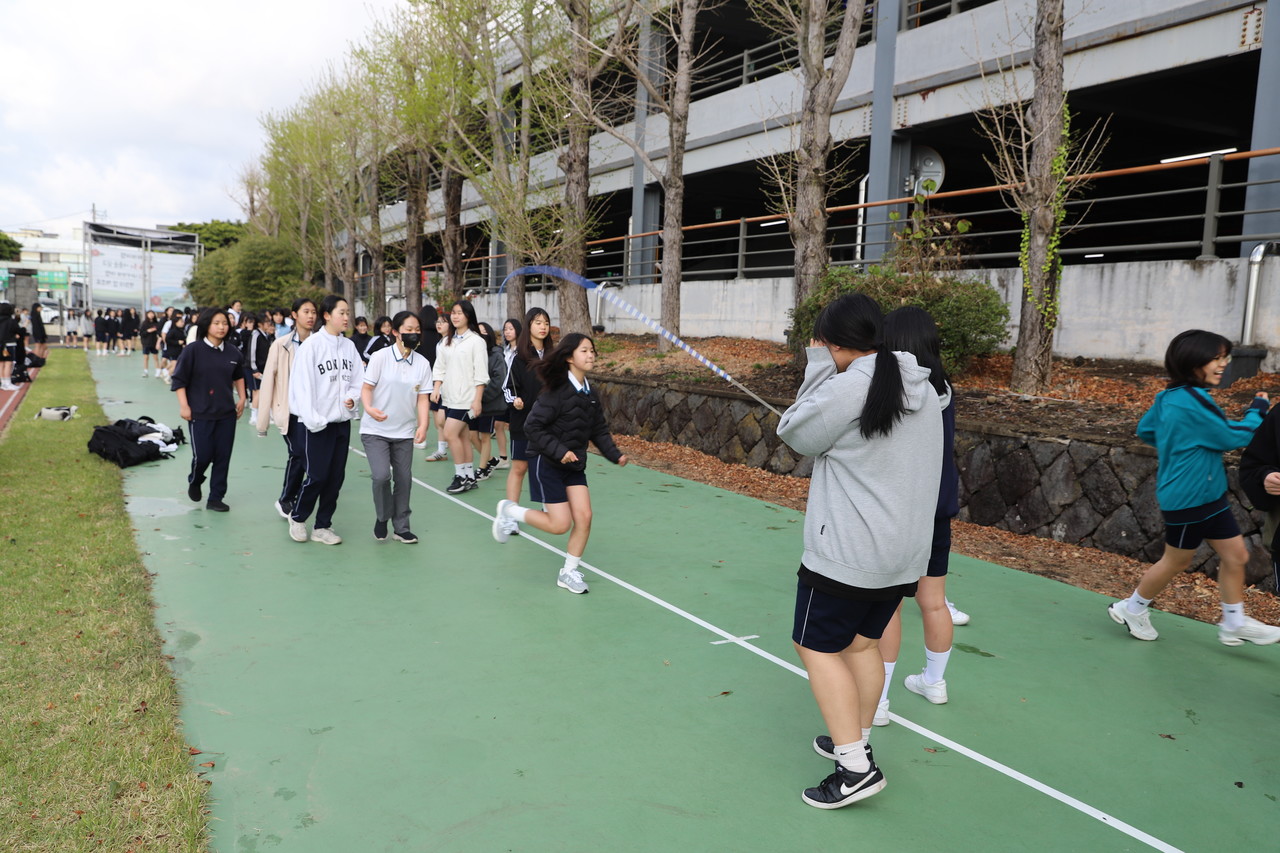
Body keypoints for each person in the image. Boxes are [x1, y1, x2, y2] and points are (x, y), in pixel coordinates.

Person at [776, 293, 943, 810]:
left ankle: (854, 768)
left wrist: (817, 365)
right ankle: (857, 741)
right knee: (860, 647)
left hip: (850, 552)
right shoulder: (922, 384)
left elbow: (795, 432)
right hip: (904, 554)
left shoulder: (849, 386)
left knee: (815, 646)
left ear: (834, 342)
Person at [1109, 329, 1280, 645]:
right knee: (1177, 561)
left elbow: (1146, 429)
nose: (1224, 364)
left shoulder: (1171, 395)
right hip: (1188, 498)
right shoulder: (1191, 403)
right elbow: (1232, 436)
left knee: (1236, 555)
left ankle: (1234, 622)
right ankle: (1132, 608)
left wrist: (1180, 443)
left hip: (1207, 494)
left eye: (1225, 357)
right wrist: (1257, 412)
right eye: (1216, 358)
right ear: (1192, 361)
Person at [873, 306, 962, 724]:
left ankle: (879, 699)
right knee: (934, 602)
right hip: (938, 510)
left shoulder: (893, 392)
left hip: (901, 512)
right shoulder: (945, 388)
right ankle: (934, 681)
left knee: (888, 607)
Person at [492, 333, 628, 594]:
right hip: (548, 462)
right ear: (569, 357)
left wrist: (614, 454)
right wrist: (560, 451)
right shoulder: (556, 391)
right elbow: (532, 426)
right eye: (584, 351)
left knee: (585, 517)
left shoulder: (590, 393)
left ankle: (569, 572)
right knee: (560, 525)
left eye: (592, 350)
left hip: (574, 465)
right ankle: (510, 511)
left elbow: (598, 429)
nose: (590, 355)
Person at [287, 294, 363, 545]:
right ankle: (298, 517)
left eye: (348, 312)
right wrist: (313, 419)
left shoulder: (349, 346)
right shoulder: (312, 346)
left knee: (335, 478)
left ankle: (323, 526)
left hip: (341, 423)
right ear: (327, 315)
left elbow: (357, 380)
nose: (346, 317)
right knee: (317, 476)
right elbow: (302, 387)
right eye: (342, 312)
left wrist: (352, 398)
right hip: (316, 424)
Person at [360, 311, 432, 544]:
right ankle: (382, 517)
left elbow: (423, 398)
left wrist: (423, 424)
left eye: (417, 330)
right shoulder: (380, 357)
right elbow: (367, 388)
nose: (413, 334)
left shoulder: (422, 363)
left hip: (404, 431)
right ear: (395, 332)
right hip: (375, 430)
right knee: (381, 476)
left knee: (404, 479)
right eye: (408, 330)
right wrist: (369, 408)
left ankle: (401, 527)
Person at [170, 307, 246, 512]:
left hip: (226, 414)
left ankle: (215, 498)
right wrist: (184, 406)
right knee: (203, 456)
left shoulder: (233, 352)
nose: (222, 327)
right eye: (216, 323)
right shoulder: (192, 350)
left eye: (225, 323)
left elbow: (238, 376)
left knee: (223, 457)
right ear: (206, 325)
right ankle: (195, 479)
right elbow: (179, 380)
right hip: (199, 413)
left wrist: (242, 398)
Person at [256, 298, 317, 520]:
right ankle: (286, 499)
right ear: (294, 315)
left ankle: (296, 496)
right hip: (289, 411)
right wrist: (263, 423)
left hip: (314, 412)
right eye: (306, 311)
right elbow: (268, 383)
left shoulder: (320, 344)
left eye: (313, 312)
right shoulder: (281, 345)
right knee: (298, 452)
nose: (310, 316)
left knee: (310, 456)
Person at [499, 308, 553, 527]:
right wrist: (515, 400)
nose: (543, 327)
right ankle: (510, 515)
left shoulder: (553, 357)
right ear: (529, 325)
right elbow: (507, 388)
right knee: (520, 468)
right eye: (538, 322)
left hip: (549, 424)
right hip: (523, 422)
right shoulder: (519, 357)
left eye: (546, 323)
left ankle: (550, 508)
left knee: (548, 465)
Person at [431, 301, 489, 493]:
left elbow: (481, 374)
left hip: (467, 399)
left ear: (468, 316)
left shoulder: (476, 341)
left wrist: (477, 399)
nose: (455, 316)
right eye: (453, 313)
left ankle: (461, 476)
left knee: (449, 433)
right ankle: (469, 476)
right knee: (463, 436)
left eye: (460, 313)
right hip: (450, 398)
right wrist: (437, 387)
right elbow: (440, 367)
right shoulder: (446, 342)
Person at [470, 322, 508, 481]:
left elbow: (499, 380)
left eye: (484, 332)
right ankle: (491, 460)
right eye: (477, 332)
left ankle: (483, 468)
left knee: (485, 436)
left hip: (490, 404)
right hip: (472, 402)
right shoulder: (472, 353)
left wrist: (482, 396)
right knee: (472, 436)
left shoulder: (496, 355)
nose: (481, 335)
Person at [423, 312, 452, 463]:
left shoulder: (452, 343)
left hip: (449, 388)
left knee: (443, 420)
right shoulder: (440, 342)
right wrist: (436, 387)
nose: (439, 324)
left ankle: (451, 448)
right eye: (438, 322)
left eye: (443, 322)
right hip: (438, 387)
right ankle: (442, 450)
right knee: (439, 422)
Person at [493, 317, 521, 471]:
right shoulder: (504, 351)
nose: (507, 332)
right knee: (498, 424)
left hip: (517, 394)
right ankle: (503, 458)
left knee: (517, 427)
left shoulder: (523, 351)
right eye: (505, 329)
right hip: (503, 393)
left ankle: (522, 456)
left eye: (511, 329)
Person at [239, 313, 270, 422]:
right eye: (267, 322)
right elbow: (252, 352)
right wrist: (254, 369)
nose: (269, 324)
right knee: (257, 391)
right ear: (260, 324)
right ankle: (253, 417)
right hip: (253, 368)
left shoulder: (265, 335)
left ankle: (260, 415)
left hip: (262, 368)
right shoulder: (256, 334)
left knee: (260, 391)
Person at [161, 313, 186, 381]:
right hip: (173, 351)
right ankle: (168, 377)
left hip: (179, 351)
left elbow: (183, 340)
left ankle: (165, 372)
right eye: (181, 322)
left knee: (173, 364)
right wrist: (177, 342)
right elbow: (167, 340)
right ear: (176, 323)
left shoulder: (181, 331)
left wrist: (183, 343)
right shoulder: (172, 331)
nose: (182, 323)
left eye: (183, 322)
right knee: (175, 365)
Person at [0, 303, 19, 391]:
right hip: (8, 344)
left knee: (1, 363)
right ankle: (8, 383)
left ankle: (3, 383)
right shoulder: (11, 321)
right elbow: (17, 329)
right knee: (8, 363)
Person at [140, 310, 162, 377]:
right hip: (146, 343)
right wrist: (148, 331)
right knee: (146, 357)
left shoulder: (156, 323)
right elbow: (141, 333)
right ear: (147, 315)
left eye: (152, 314)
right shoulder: (144, 323)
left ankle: (158, 371)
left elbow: (159, 332)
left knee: (156, 357)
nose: (151, 315)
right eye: (149, 314)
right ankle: (145, 371)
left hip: (154, 342)